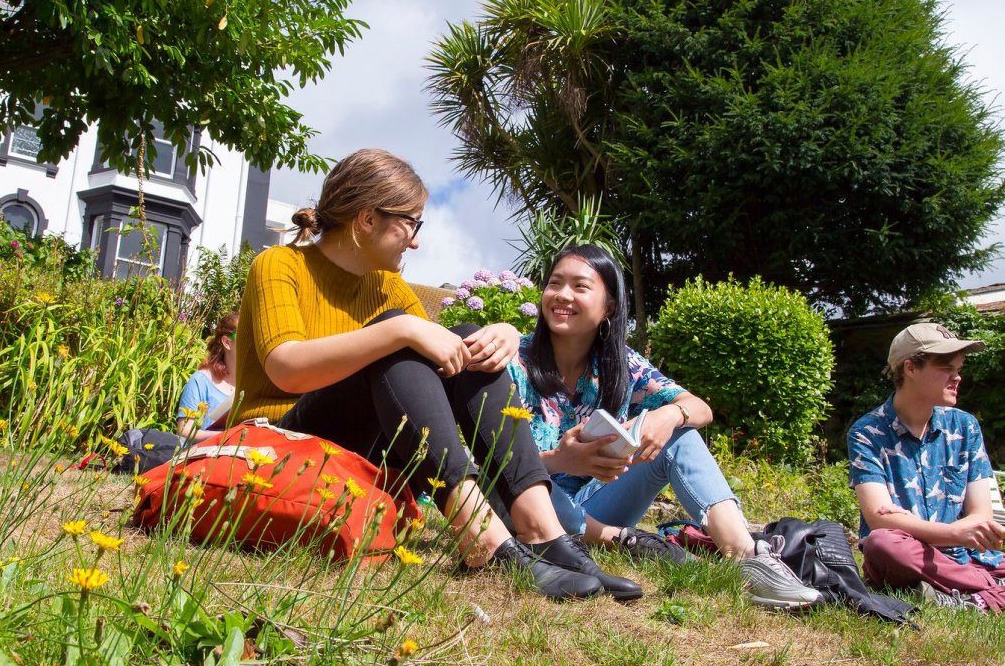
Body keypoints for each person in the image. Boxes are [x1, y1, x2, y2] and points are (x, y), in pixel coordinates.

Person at [232, 149, 641, 601]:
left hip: (360, 447)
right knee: (398, 337)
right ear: (367, 219)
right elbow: (286, 369)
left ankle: (541, 530)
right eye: (411, 223)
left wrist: (502, 334)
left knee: (464, 339)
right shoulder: (280, 265)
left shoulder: (386, 286)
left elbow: (443, 360)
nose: (415, 241)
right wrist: (401, 329)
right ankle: (484, 540)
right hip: (277, 442)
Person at [506, 244, 821, 610]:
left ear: (609, 306)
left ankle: (747, 558)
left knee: (681, 433)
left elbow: (698, 407)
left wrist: (668, 415)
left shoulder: (621, 364)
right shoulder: (517, 360)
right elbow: (494, 460)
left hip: (597, 501)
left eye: (580, 286)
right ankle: (612, 538)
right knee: (521, 480)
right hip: (533, 505)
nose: (562, 295)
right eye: (555, 283)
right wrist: (561, 461)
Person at [848, 322, 1005, 613]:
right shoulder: (867, 433)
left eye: (958, 369)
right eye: (946, 368)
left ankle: (961, 597)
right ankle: (991, 590)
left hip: (962, 557)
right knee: (882, 544)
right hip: (909, 556)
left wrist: (917, 526)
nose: (957, 377)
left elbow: (981, 515)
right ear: (910, 368)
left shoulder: (964, 426)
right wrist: (956, 533)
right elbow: (880, 520)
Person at [176, 312, 238, 442]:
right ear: (227, 342)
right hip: (201, 456)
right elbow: (184, 430)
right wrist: (224, 437)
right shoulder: (200, 381)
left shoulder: (251, 383)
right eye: (246, 337)